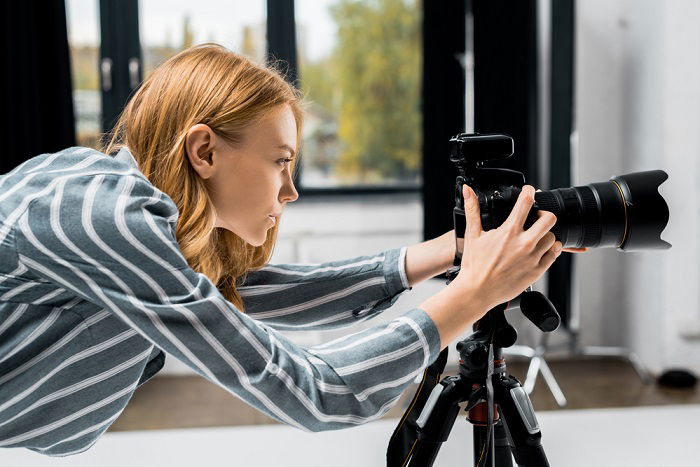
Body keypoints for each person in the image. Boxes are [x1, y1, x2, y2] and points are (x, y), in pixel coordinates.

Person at [0, 44, 584, 457]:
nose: (291, 190)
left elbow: (238, 292)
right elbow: (316, 392)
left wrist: (446, 253)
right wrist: (473, 293)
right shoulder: (106, 221)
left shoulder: (99, 200)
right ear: (204, 151)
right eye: (280, 160)